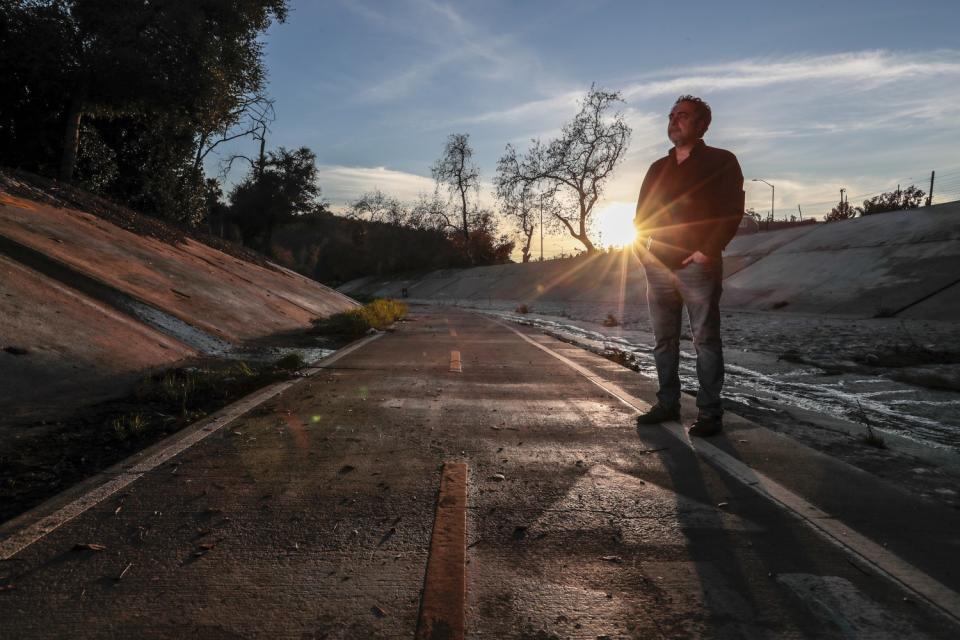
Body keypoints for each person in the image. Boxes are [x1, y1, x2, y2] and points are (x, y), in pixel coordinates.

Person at [633, 95, 744, 437]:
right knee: (663, 341)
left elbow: (732, 209)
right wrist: (644, 254)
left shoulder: (721, 161)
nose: (674, 120)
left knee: (705, 341)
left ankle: (710, 413)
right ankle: (668, 404)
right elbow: (641, 216)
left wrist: (707, 251)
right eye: (671, 115)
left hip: (697, 266)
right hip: (659, 268)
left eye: (682, 115)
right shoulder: (657, 168)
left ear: (701, 124)